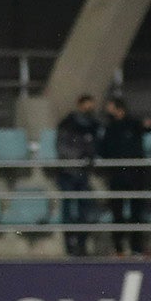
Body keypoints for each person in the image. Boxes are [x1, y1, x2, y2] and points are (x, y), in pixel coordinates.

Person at [97, 97, 151, 258]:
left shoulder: (132, 124)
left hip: (135, 175)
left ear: (119, 108)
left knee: (136, 212)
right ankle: (119, 248)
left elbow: (148, 127)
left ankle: (136, 248)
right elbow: (103, 149)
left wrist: (149, 125)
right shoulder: (109, 128)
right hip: (117, 176)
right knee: (117, 213)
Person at [54, 93, 99, 257]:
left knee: (84, 211)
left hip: (82, 174)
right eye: (88, 104)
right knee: (68, 211)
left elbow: (94, 147)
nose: (90, 108)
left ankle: (81, 245)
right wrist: (80, 157)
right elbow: (62, 148)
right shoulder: (67, 124)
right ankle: (70, 246)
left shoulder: (92, 125)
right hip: (68, 173)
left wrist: (89, 157)